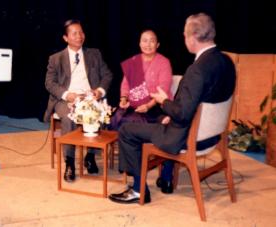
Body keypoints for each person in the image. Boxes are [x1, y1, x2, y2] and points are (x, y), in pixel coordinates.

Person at [109, 13, 236, 204]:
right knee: (160, 118)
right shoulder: (226, 61)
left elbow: (183, 114)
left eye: (185, 35)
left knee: (127, 130)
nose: (184, 38)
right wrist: (169, 112)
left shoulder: (198, 69)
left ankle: (137, 190)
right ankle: (165, 176)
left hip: (188, 137)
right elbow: (200, 101)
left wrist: (163, 102)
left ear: (193, 38)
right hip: (212, 135)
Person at [44, 19, 112, 182]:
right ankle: (69, 162)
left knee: (101, 113)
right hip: (66, 99)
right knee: (68, 118)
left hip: (89, 97)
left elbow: (107, 75)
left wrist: (99, 91)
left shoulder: (94, 54)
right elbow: (49, 83)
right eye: (74, 33)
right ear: (65, 38)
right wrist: (67, 94)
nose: (79, 36)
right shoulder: (56, 58)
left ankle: (90, 156)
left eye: (81, 32)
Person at [109, 29, 173, 130]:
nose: (148, 44)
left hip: (155, 104)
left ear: (157, 44)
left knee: (133, 121)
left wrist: (148, 106)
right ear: (140, 43)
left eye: (152, 41)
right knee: (116, 118)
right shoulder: (134, 60)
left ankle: (159, 120)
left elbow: (163, 89)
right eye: (145, 40)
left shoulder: (164, 62)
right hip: (134, 103)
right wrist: (124, 99)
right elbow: (125, 84)